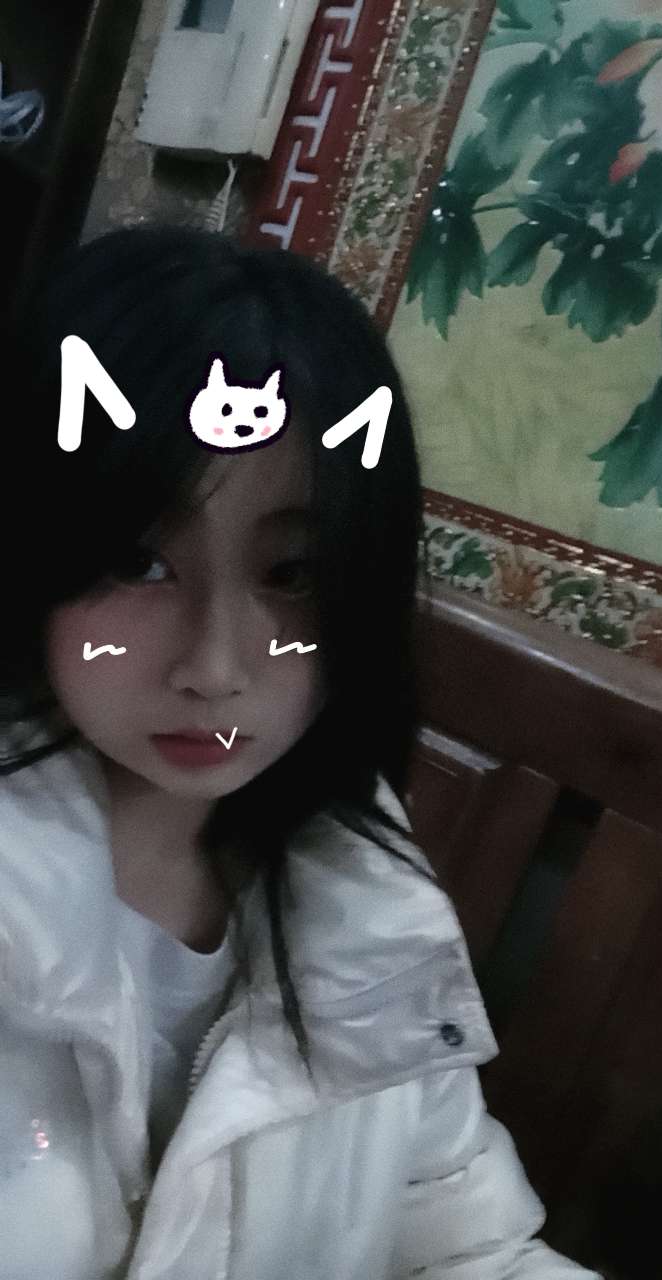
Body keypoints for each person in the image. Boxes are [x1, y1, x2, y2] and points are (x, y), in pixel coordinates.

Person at [0, 225, 602, 1279]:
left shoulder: (364, 891)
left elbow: (467, 1244)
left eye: (294, 574)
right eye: (138, 560)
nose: (216, 666)